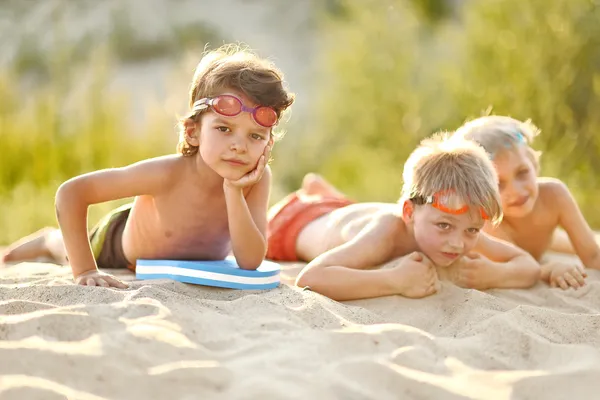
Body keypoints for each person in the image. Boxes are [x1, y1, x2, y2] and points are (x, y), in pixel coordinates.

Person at [2, 44, 295, 288]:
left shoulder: (255, 179)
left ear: (269, 143)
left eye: (255, 136)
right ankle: (49, 240)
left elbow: (250, 261)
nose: (239, 146)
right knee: (68, 250)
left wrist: (233, 190)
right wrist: (85, 271)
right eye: (224, 129)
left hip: (183, 258)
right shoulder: (166, 173)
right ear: (193, 131)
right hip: (118, 246)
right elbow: (71, 193)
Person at [267, 133, 540, 301]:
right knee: (349, 217)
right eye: (444, 225)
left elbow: (528, 266)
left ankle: (319, 189)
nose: (458, 243)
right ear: (409, 212)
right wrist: (396, 280)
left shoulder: (457, 227)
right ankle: (312, 191)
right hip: (291, 223)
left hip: (345, 213)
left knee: (349, 211)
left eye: (472, 230)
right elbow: (311, 278)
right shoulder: (386, 233)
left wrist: (496, 275)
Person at [453, 115, 600, 290]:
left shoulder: (554, 195)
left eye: (522, 172)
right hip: (519, 257)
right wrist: (549, 269)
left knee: (566, 240)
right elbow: (516, 269)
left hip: (544, 241)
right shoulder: (485, 218)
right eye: (498, 184)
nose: (515, 190)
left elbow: (592, 256)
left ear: (533, 163)